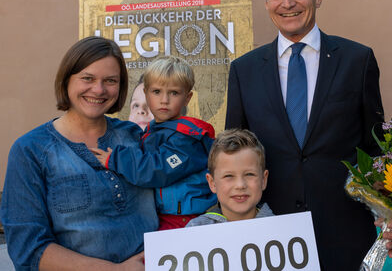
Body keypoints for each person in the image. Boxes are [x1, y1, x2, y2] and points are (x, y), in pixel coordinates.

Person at [225, 0, 392, 270]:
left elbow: (376, 149)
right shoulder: (244, 70)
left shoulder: (357, 60)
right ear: (266, 1)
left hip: (345, 232)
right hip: (269, 238)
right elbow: (232, 151)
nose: (287, 3)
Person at [0, 36, 158, 270]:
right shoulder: (31, 150)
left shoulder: (135, 137)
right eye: (87, 78)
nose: (99, 89)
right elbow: (29, 248)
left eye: (110, 80)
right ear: (66, 81)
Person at [92, 56, 217, 230]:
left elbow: (158, 169)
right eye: (157, 92)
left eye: (174, 93)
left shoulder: (187, 138)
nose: (164, 100)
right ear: (146, 93)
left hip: (187, 219)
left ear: (187, 98)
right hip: (164, 214)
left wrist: (116, 159)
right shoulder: (153, 130)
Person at [186, 128, 273, 227]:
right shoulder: (194, 231)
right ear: (212, 183)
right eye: (229, 176)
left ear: (263, 180)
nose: (240, 185)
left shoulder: (282, 230)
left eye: (249, 174)